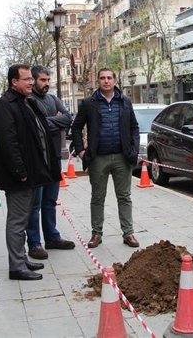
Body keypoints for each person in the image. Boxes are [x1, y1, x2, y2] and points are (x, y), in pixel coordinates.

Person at [0, 64, 61, 281]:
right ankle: (16, 266)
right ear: (14, 82)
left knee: (23, 218)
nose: (31, 82)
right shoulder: (5, 105)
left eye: (32, 79)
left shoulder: (26, 102)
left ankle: (22, 259)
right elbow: (8, 142)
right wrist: (19, 171)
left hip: (33, 173)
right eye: (27, 79)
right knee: (17, 221)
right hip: (19, 176)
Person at [71, 68, 140, 249]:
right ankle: (96, 234)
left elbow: (134, 127)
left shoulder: (125, 101)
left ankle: (128, 233)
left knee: (124, 196)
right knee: (97, 197)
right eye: (102, 78)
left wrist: (134, 150)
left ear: (115, 80)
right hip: (98, 158)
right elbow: (76, 127)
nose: (106, 81)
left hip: (121, 157)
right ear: (98, 81)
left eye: (109, 78)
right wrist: (80, 151)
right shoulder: (89, 103)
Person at [26, 65, 75, 260]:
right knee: (34, 204)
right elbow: (33, 126)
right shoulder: (28, 101)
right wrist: (54, 121)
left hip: (54, 158)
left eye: (48, 80)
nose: (46, 84)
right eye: (42, 80)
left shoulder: (53, 99)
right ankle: (34, 242)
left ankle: (52, 237)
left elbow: (68, 119)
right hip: (37, 160)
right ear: (34, 80)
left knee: (50, 201)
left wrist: (47, 122)